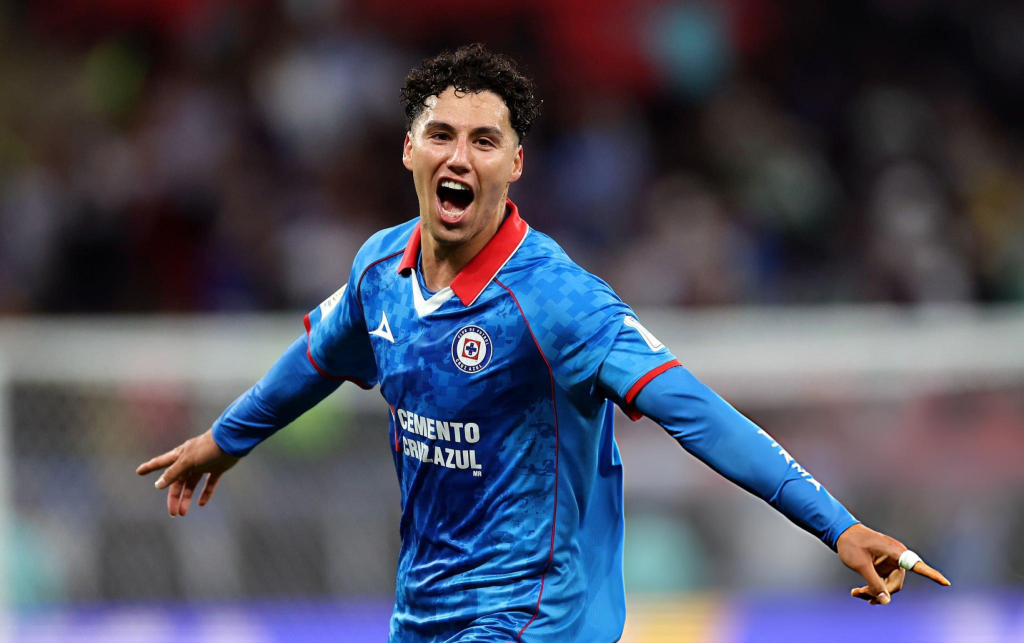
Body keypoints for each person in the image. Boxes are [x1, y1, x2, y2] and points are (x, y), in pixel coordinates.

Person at [137, 44, 949, 642]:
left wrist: (837, 525)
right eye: (442, 134)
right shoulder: (380, 271)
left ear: (515, 163)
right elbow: (317, 358)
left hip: (533, 615)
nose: (460, 156)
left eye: (484, 141)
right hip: (422, 612)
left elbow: (695, 410)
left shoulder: (556, 300)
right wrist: (225, 439)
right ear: (410, 150)